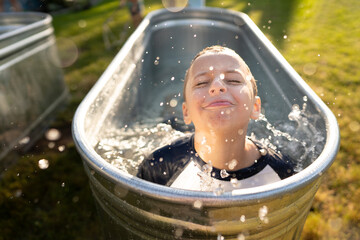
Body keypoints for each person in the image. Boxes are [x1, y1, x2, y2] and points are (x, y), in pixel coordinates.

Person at [137, 45, 296, 191]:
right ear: (186, 112)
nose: (217, 86)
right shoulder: (161, 164)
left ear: (255, 107)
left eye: (233, 80)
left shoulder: (282, 171)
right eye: (202, 83)